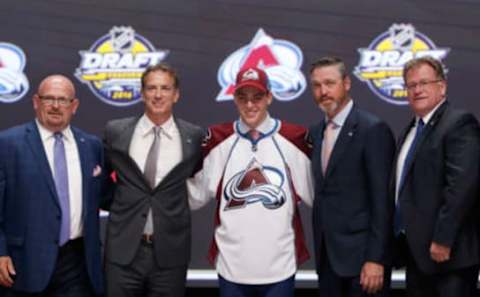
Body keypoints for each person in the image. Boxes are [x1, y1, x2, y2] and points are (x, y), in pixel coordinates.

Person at [188, 66, 313, 297]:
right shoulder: (217, 139)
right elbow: (193, 195)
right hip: (232, 268)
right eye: (242, 98)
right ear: (234, 99)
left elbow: (318, 196)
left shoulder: (294, 138)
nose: (250, 105)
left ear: (269, 97)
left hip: (280, 267)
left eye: (257, 97)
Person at [102, 63, 204, 297]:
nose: (158, 95)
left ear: (176, 95)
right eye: (151, 88)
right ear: (142, 93)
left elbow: (198, 181)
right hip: (123, 251)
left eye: (165, 88)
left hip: (170, 253)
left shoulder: (193, 136)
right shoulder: (117, 131)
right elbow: (101, 182)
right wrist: (120, 204)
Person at [0, 75, 104, 297]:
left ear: (74, 106)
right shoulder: (8, 144)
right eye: (49, 99)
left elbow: (107, 196)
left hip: (78, 264)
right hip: (24, 264)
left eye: (63, 100)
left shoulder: (92, 146)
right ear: (36, 102)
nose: (56, 106)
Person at [393, 56, 480, 297]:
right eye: (411, 85)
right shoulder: (410, 130)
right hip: (418, 256)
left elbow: (461, 187)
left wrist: (443, 239)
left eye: (424, 83)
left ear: (441, 87)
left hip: (448, 257)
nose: (417, 90)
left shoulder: (459, 123)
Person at [308, 56, 395, 297]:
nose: (323, 91)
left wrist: (376, 259)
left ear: (346, 83)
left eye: (329, 83)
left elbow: (382, 201)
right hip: (328, 260)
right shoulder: (316, 133)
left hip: (364, 263)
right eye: (316, 85)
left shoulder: (372, 129)